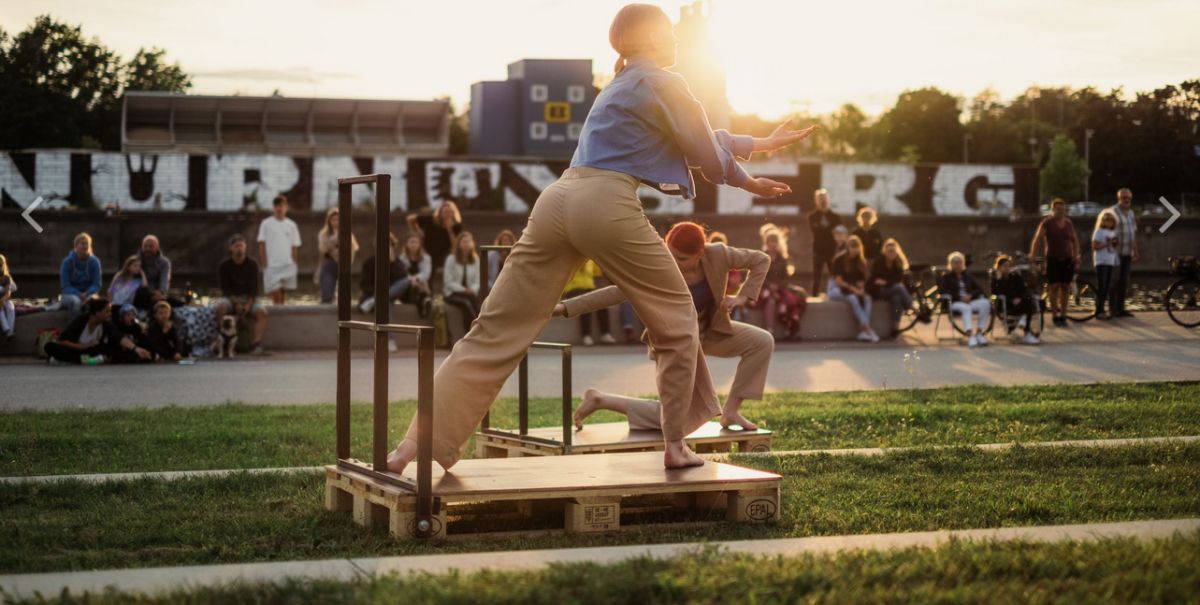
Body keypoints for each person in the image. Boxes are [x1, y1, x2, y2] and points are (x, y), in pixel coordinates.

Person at [384, 3, 815, 474]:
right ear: (650, 39)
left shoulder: (619, 84)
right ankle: (675, 445)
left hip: (556, 200)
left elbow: (695, 136)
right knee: (677, 322)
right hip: (606, 203)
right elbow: (706, 156)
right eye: (669, 32)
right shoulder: (667, 81)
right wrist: (750, 180)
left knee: (491, 333)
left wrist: (759, 145)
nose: (676, 40)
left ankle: (414, 445)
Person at [561, 221, 773, 431]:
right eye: (670, 253)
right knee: (681, 419)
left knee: (761, 342)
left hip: (710, 332)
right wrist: (564, 307)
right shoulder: (658, 264)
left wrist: (742, 297)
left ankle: (731, 412)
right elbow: (616, 292)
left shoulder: (718, 254)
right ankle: (601, 400)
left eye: (681, 258)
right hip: (675, 342)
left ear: (700, 253)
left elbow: (761, 260)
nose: (673, 261)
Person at [45, 297, 150, 365]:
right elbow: (63, 340)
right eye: (106, 312)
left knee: (112, 350)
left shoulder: (106, 324)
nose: (109, 314)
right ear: (96, 313)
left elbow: (118, 337)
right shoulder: (81, 320)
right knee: (50, 347)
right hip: (76, 348)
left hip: (92, 351)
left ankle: (72, 361)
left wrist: (136, 349)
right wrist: (83, 346)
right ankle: (80, 360)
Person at [1029, 198, 1080, 326]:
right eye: (1058, 209)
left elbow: (1075, 240)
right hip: (1053, 259)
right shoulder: (1047, 222)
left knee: (1066, 287)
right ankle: (1055, 315)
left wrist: (1076, 255)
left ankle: (1063, 314)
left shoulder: (1068, 223)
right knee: (1053, 287)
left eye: (1062, 209)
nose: (1060, 212)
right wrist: (1033, 255)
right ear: (1053, 210)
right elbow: (1037, 238)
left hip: (1067, 259)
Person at [214, 234, 268, 355]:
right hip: (231, 298)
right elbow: (225, 289)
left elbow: (254, 289)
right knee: (220, 308)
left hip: (249, 298)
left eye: (242, 246)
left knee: (262, 313)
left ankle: (256, 344)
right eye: (236, 246)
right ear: (231, 248)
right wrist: (237, 304)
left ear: (245, 248)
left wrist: (248, 305)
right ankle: (221, 341)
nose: (239, 248)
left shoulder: (252, 264)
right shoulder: (224, 265)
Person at [752, 224, 806, 341]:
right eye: (770, 242)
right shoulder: (762, 257)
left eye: (775, 242)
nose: (773, 244)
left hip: (780, 288)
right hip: (764, 288)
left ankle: (790, 330)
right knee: (771, 301)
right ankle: (769, 330)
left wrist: (778, 287)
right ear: (766, 243)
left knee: (790, 301)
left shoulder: (782, 259)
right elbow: (759, 275)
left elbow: (786, 278)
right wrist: (770, 286)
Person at [359, 233, 432, 317]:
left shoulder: (396, 262)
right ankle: (378, 300)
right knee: (385, 302)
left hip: (395, 293)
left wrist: (392, 262)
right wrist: (379, 292)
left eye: (389, 246)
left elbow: (402, 278)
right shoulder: (369, 263)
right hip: (376, 294)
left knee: (407, 280)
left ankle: (376, 300)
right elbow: (364, 285)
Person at [828, 235, 879, 342]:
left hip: (851, 289)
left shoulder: (860, 262)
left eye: (857, 247)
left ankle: (863, 332)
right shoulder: (839, 259)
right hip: (836, 288)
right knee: (853, 298)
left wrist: (861, 291)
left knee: (867, 298)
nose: (854, 250)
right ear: (848, 247)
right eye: (852, 247)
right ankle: (868, 329)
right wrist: (855, 291)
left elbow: (860, 282)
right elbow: (839, 281)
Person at [938, 251, 991, 348]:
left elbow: (979, 289)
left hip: (969, 301)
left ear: (963, 263)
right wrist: (959, 297)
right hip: (954, 303)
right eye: (955, 262)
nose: (957, 264)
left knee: (985, 303)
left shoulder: (967, 276)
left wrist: (970, 296)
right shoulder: (946, 277)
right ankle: (971, 335)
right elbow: (943, 291)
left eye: (959, 262)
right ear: (951, 264)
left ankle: (979, 333)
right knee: (966, 308)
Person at [257, 194, 302, 305]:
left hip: (287, 265)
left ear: (286, 207)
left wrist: (294, 263)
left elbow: (294, 246)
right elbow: (261, 244)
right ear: (273, 207)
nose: (279, 208)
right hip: (272, 266)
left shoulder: (291, 225)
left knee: (282, 296)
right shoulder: (266, 224)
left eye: (282, 205)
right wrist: (264, 265)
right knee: (276, 296)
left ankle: (282, 320)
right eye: (277, 206)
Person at [562, 260, 616, 346]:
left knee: (603, 303)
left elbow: (598, 272)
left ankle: (605, 333)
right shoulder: (570, 261)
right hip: (573, 289)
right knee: (585, 305)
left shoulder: (590, 261)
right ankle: (586, 335)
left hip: (589, 288)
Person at [991, 255, 1041, 345]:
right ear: (999, 267)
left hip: (1020, 302)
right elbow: (995, 294)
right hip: (1005, 304)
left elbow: (1023, 289)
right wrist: (1000, 280)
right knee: (1028, 304)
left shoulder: (1015, 276)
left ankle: (1026, 330)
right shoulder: (996, 280)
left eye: (1008, 266)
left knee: (1029, 299)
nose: (1007, 268)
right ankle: (1026, 331)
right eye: (1005, 266)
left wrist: (1019, 298)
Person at [406, 200, 463, 278]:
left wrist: (449, 230)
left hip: (444, 253)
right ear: (440, 212)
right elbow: (410, 219)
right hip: (427, 251)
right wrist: (418, 232)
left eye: (450, 212)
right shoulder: (431, 220)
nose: (448, 214)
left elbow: (455, 245)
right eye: (445, 212)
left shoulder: (457, 225)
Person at [316, 207, 359, 304]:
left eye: (338, 220)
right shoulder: (323, 234)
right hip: (329, 265)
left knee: (342, 296)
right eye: (333, 220)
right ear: (329, 221)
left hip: (343, 265)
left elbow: (353, 248)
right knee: (327, 294)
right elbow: (323, 250)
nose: (336, 222)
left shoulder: (347, 233)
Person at [442, 231, 481, 335]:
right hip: (452, 293)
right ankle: (471, 332)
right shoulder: (451, 259)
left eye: (468, 242)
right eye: (464, 242)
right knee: (466, 304)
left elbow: (477, 280)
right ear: (459, 243)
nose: (466, 244)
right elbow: (448, 282)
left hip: (470, 293)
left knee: (476, 302)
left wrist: (472, 289)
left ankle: (479, 328)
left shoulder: (475, 259)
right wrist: (464, 290)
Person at [870, 238, 912, 334]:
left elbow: (896, 280)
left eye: (893, 251)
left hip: (892, 291)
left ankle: (895, 328)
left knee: (896, 299)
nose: (891, 253)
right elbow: (875, 279)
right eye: (889, 251)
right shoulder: (879, 262)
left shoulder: (898, 264)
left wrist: (886, 282)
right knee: (899, 287)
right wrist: (888, 283)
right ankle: (911, 306)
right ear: (884, 251)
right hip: (879, 291)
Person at [1108, 188, 1139, 318]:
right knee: (1114, 281)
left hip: (1127, 252)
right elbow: (1107, 231)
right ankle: (1112, 309)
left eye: (1128, 198)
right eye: (1124, 198)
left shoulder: (1131, 213)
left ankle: (1121, 308)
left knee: (1124, 281)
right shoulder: (1113, 212)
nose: (1126, 200)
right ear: (1119, 199)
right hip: (1115, 253)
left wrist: (1135, 250)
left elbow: (1132, 233)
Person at [59, 232, 102, 321]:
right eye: (82, 243)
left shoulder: (95, 262)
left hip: (89, 293)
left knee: (93, 302)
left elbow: (97, 284)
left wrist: (87, 293)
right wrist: (79, 294)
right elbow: (65, 286)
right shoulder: (67, 262)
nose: (84, 246)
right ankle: (75, 330)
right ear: (76, 245)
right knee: (76, 302)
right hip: (70, 294)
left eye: (87, 244)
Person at [807, 188, 841, 296]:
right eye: (820, 199)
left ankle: (837, 293)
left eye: (824, 198)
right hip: (818, 250)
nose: (823, 201)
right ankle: (814, 295)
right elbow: (817, 231)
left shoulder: (836, 217)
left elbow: (838, 233)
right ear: (816, 201)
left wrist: (825, 229)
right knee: (817, 275)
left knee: (834, 273)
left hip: (832, 250)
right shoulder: (812, 217)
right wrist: (829, 229)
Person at [1091, 209, 1121, 320]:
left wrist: (1115, 243)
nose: (1108, 222)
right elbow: (1095, 247)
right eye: (1106, 220)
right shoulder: (1098, 231)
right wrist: (1108, 243)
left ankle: (1105, 309)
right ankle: (1099, 310)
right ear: (1102, 221)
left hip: (1110, 261)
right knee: (1102, 286)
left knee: (1108, 286)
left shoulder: (1113, 233)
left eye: (1111, 220)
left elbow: (1113, 247)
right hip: (1101, 261)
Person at [134, 235, 171, 311]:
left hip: (155, 292)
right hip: (137, 292)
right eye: (145, 246)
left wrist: (161, 292)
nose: (148, 249)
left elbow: (164, 280)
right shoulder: (135, 260)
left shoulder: (164, 263)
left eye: (151, 246)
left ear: (157, 247)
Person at [0, 254, 15, 342]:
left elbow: (8, 292)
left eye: (0, 265)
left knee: (10, 308)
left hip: (5, 300)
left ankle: (10, 332)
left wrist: (3, 299)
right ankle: (6, 329)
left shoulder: (6, 278)